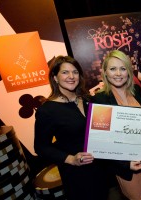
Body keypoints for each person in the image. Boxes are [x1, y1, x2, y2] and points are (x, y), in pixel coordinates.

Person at [90, 50, 141, 200]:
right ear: (105, 73)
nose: (118, 73)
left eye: (123, 68)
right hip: (128, 165)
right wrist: (126, 164)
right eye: (113, 69)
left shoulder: (136, 91)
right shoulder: (100, 100)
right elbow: (101, 144)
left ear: (128, 71)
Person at [34, 55, 109, 200]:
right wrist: (70, 159)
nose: (71, 76)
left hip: (100, 168)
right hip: (77, 174)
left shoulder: (88, 99)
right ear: (55, 77)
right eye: (65, 72)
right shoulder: (47, 110)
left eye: (75, 72)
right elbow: (41, 147)